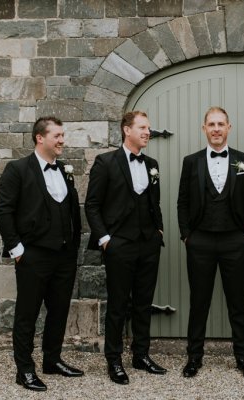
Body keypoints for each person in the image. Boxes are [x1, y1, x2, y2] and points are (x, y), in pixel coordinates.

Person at [0, 116, 83, 392]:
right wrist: (18, 250)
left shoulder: (65, 171)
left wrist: (73, 247)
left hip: (64, 256)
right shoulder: (18, 169)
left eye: (62, 135)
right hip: (32, 255)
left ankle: (52, 360)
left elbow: (70, 210)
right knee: (27, 314)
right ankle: (25, 370)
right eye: (57, 135)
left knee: (59, 311)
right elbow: (3, 211)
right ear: (39, 138)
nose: (62, 140)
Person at [177, 107, 244, 380]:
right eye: (211, 124)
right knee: (199, 302)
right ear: (204, 128)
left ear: (229, 127)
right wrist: (187, 235)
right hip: (199, 241)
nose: (216, 129)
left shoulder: (243, 160)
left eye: (220, 124)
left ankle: (243, 358)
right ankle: (194, 358)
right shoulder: (191, 161)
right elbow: (183, 201)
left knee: (237, 303)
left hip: (235, 241)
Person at [85, 111, 166, 385]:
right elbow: (92, 205)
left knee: (143, 303)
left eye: (149, 128)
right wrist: (105, 239)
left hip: (148, 244)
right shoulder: (106, 162)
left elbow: (154, 202)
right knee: (118, 304)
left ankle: (141, 355)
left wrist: (159, 231)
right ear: (126, 130)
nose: (148, 132)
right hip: (119, 245)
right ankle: (114, 360)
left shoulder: (152, 164)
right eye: (143, 127)